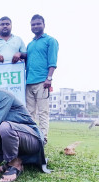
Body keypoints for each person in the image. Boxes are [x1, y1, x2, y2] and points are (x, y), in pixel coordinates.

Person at [25, 14, 59, 144]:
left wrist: (49, 78)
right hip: (29, 82)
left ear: (44, 25)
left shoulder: (50, 41)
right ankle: (32, 137)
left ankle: (43, 138)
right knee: (30, 112)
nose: (36, 26)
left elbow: (53, 61)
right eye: (33, 24)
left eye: (38, 24)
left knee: (43, 112)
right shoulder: (30, 44)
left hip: (42, 82)